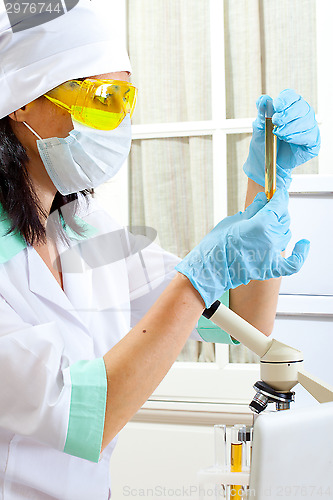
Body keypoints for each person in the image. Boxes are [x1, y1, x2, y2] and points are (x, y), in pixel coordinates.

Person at [0, 2, 320, 499]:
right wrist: (196, 279)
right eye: (103, 98)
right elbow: (84, 417)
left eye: (127, 100)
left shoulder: (85, 231)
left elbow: (240, 322)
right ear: (21, 100)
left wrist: (266, 185)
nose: (119, 123)